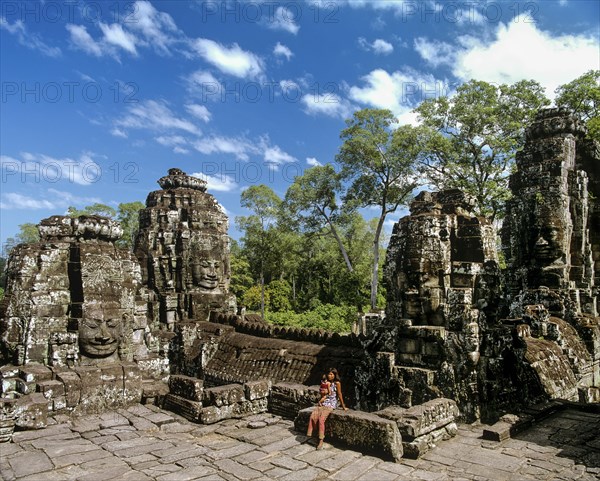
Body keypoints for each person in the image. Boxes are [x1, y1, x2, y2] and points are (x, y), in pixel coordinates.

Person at [306, 368, 348, 450]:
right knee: (313, 416)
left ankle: (321, 439)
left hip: (331, 403)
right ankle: (314, 434)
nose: (330, 376)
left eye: (332, 374)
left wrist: (343, 407)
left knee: (321, 419)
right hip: (324, 401)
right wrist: (321, 399)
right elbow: (322, 394)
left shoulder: (337, 383)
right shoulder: (326, 382)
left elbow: (339, 394)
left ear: (335, 375)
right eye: (329, 374)